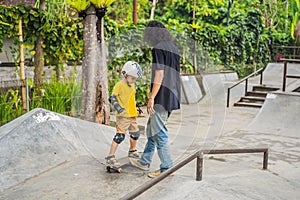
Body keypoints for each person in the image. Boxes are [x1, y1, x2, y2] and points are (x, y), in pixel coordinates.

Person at [130, 20, 181, 178]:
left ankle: (167, 167)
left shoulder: (158, 48)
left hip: (162, 97)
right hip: (173, 95)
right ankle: (145, 160)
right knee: (152, 129)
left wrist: (151, 97)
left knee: (159, 132)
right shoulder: (173, 48)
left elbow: (160, 73)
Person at [105, 61, 143, 168]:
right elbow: (112, 98)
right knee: (120, 136)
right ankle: (110, 156)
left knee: (135, 134)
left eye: (135, 79)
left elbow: (132, 98)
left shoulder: (132, 85)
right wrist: (119, 108)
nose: (133, 81)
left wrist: (137, 108)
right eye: (132, 78)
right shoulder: (119, 85)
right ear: (124, 74)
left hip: (132, 115)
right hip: (123, 116)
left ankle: (132, 150)